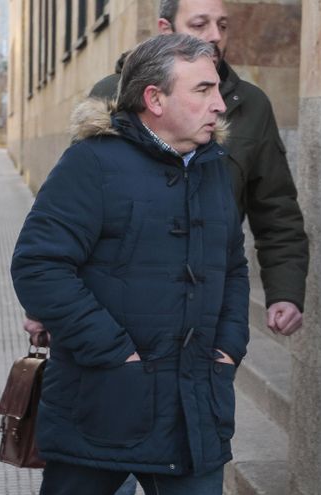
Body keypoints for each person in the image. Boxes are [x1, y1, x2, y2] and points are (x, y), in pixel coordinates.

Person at [11, 34, 249, 495]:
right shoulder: (92, 162)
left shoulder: (213, 167)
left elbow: (234, 267)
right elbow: (39, 265)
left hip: (196, 411)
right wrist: (116, 355)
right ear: (154, 99)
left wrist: (228, 347)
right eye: (203, 90)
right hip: (103, 408)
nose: (220, 104)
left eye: (217, 89)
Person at [90, 0, 309, 337]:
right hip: (116, 311)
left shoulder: (251, 106)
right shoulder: (110, 96)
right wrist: (48, 309)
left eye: (222, 25)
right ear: (166, 30)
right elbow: (73, 212)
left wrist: (285, 292)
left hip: (204, 313)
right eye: (199, 24)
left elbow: (276, 210)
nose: (215, 36)